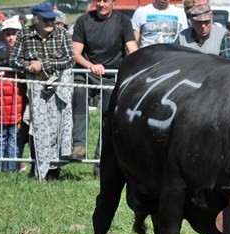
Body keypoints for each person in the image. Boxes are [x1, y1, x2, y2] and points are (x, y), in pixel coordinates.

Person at [70, 0, 138, 178]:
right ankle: (79, 145)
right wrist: (90, 65)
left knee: (108, 118)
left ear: (113, 3)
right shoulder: (83, 20)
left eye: (106, 1)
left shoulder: (123, 21)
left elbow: (132, 48)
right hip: (86, 72)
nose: (101, 4)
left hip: (111, 75)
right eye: (98, 0)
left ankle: (101, 167)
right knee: (78, 94)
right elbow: (75, 52)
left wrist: (135, 64)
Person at [9, 2, 75, 181]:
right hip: (35, 88)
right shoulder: (24, 33)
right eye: (46, 19)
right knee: (37, 128)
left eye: (52, 19)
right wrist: (29, 66)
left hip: (60, 87)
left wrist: (42, 64)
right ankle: (38, 169)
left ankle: (55, 169)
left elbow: (70, 59)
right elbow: (13, 60)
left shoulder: (61, 33)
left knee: (59, 126)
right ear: (36, 19)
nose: (50, 22)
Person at [0, 19, 27, 172]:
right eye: (8, 34)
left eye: (14, 34)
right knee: (9, 139)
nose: (11, 37)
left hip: (10, 105)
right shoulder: (3, 53)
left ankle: (2, 169)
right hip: (9, 106)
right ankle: (7, 169)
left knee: (5, 139)